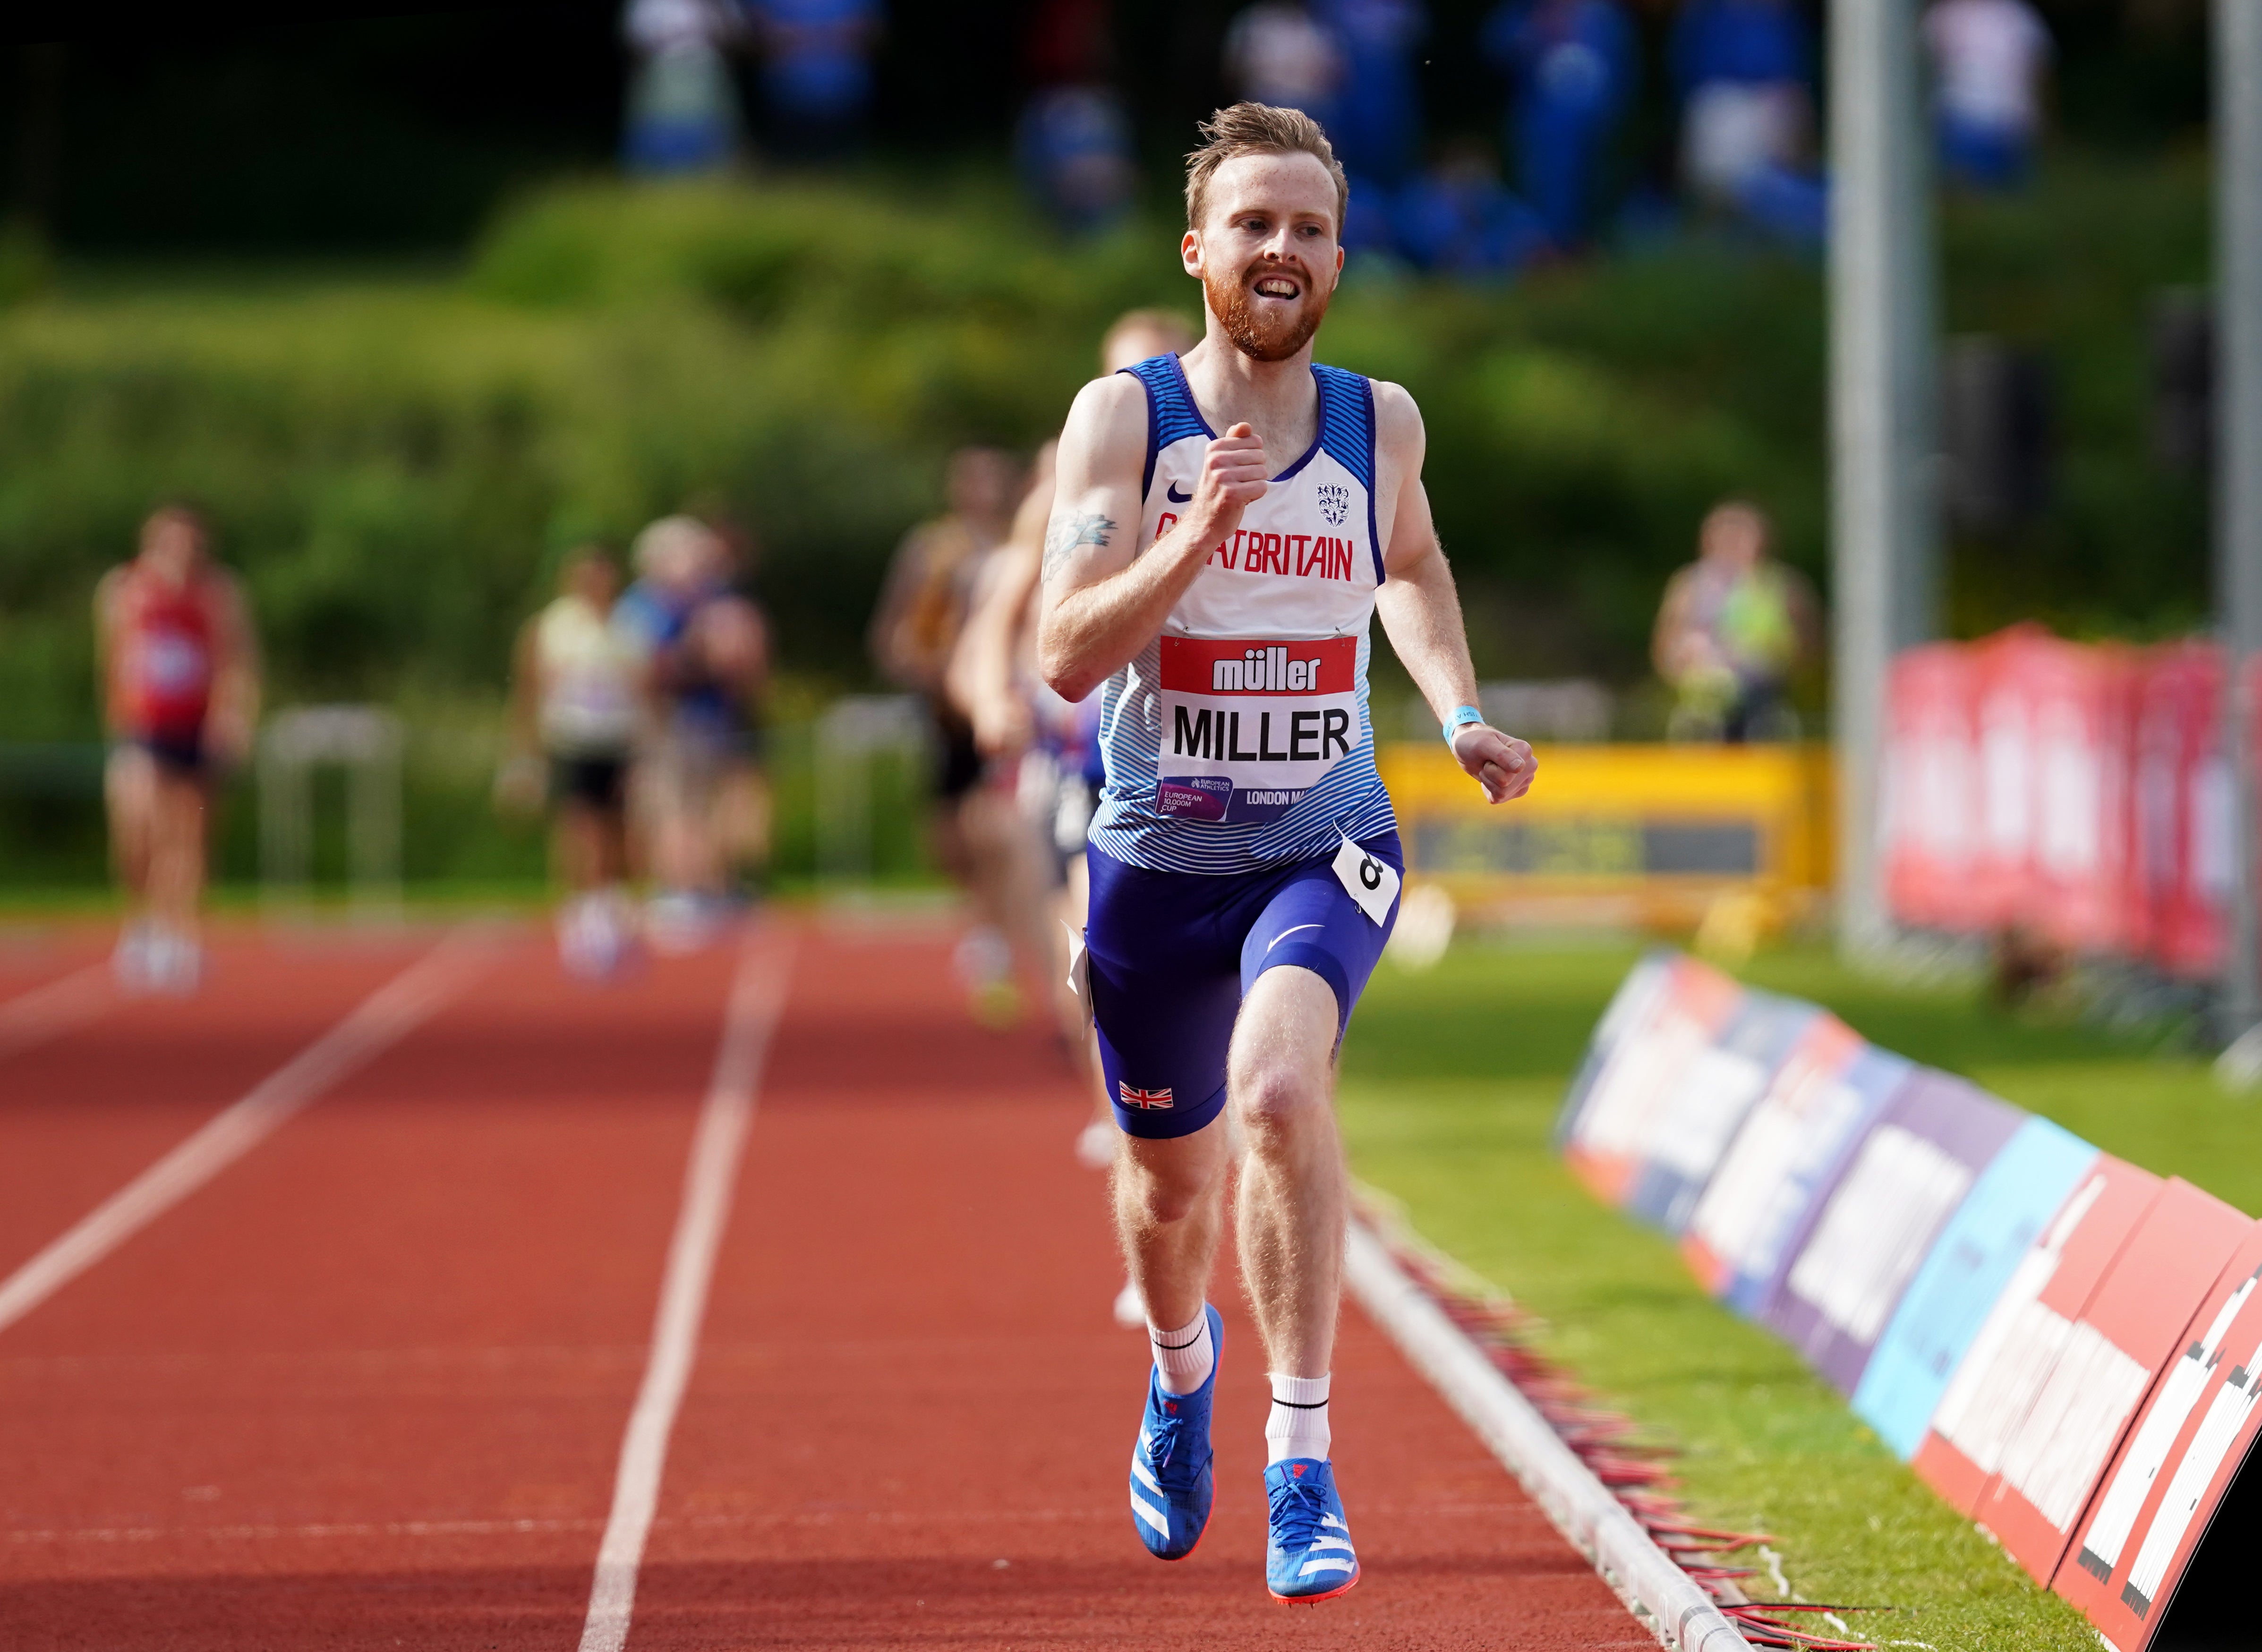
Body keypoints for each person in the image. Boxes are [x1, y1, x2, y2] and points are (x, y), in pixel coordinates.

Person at [1036, 102, 1535, 1602]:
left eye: (1309, 227)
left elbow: (1415, 563)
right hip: (1152, 860)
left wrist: (1457, 707)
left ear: (1339, 255)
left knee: (1276, 1092)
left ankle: (1300, 1456)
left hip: (1322, 838)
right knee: (1168, 1190)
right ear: (1198, 250)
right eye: (1254, 224)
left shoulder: (1384, 420)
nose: (1282, 250)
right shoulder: (1125, 418)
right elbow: (1065, 653)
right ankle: (1181, 1373)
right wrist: (1190, 542)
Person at [949, 307, 1201, 1327]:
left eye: (1158, 362)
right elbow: (995, 620)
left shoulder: (1218, 456)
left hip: (1193, 754)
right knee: (1098, 951)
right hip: (1083, 760)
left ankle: (1178, 1127)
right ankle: (1139, 1156)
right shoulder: (1067, 479)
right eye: (1124, 368)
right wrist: (989, 698)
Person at [870, 447, 1050, 1022]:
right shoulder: (933, 547)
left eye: (994, 480)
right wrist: (921, 669)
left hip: (1005, 701)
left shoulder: (1017, 542)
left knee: (992, 824)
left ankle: (1001, 938)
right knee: (950, 833)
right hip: (944, 705)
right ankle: (989, 919)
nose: (984, 491)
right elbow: (896, 626)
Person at [95, 505, 260, 993]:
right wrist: (114, 718)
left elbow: (239, 660)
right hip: (143, 724)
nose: (181, 552)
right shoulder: (123, 589)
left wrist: (233, 717)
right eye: (171, 541)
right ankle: (140, 922)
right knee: (138, 826)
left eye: (189, 543)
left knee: (188, 836)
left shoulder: (219, 594)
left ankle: (181, 935)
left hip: (198, 725)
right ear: (151, 543)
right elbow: (112, 658)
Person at [615, 515, 770, 951]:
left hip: (711, 721)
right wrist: (700, 651)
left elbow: (746, 661)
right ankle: (679, 893)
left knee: (709, 809)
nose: (703, 567)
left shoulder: (713, 602)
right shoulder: (645, 606)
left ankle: (710, 888)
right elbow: (645, 671)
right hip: (666, 722)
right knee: (672, 809)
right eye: (694, 559)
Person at [501, 549, 648, 978]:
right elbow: (529, 691)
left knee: (620, 832)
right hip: (572, 739)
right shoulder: (553, 627)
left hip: (619, 740)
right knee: (580, 828)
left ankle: (611, 912)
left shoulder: (629, 626)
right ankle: (580, 916)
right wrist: (523, 756)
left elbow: (646, 686)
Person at [1650, 499, 1818, 743]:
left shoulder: (1784, 586)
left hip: (1765, 698)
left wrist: (1773, 655)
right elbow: (1665, 649)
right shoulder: (1689, 585)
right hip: (1704, 700)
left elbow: (1809, 647)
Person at [1483, 0, 1638, 249]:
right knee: (1542, 185)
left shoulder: (1604, 15)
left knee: (1593, 185)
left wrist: (1614, 113)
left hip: (1593, 122)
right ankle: (1544, 249)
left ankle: (1587, 246)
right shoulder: (1527, 11)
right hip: (1541, 122)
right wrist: (1533, 32)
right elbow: (1496, 47)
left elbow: (1624, 68)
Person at [1669, 0, 1825, 245]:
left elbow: (1794, 94)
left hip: (1773, 148)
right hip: (1725, 126)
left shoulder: (1783, 23)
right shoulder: (1709, 19)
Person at [1923, 0, 2051, 190]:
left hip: (2010, 121)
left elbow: (2039, 69)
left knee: (2004, 191)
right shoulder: (1945, 14)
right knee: (1967, 185)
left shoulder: (2016, 14)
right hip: (1959, 118)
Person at [743, 0, 886, 161]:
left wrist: (804, 36)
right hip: (784, 100)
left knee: (843, 166)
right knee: (791, 166)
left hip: (848, 98)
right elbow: (751, 35)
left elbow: (875, 32)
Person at [620, 0, 746, 173]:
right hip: (663, 81)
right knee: (658, 150)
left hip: (709, 79)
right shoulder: (650, 4)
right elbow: (636, 42)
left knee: (714, 151)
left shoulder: (719, 4)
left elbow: (737, 38)